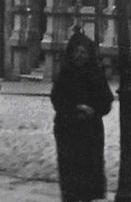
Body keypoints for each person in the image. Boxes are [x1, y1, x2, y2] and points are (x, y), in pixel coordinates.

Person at [51, 30, 114, 202]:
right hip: (68, 131)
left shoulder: (95, 73)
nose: (80, 56)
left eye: (83, 52)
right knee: (70, 177)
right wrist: (75, 108)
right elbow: (57, 99)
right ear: (71, 54)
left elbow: (106, 101)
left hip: (90, 133)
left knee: (89, 177)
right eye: (77, 52)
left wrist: (94, 110)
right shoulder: (65, 73)